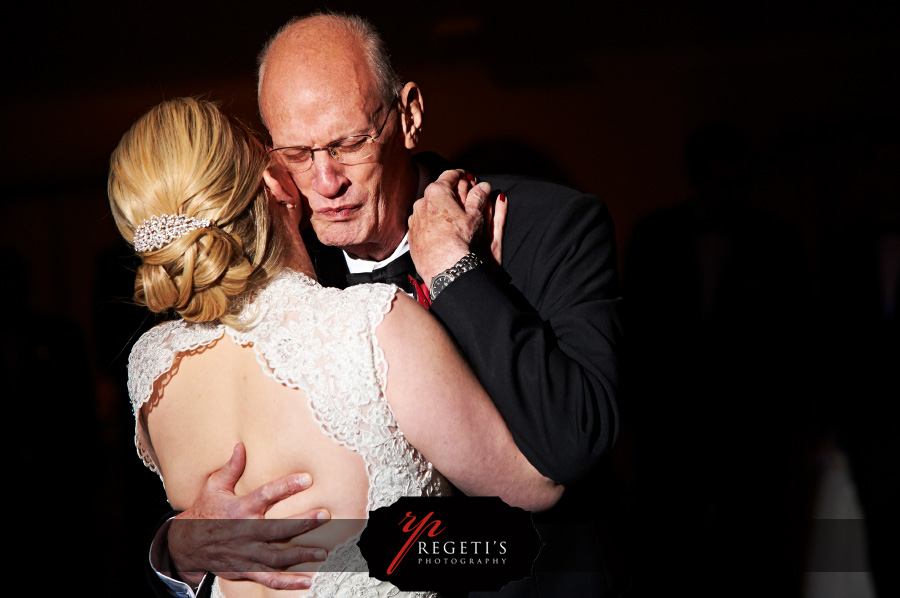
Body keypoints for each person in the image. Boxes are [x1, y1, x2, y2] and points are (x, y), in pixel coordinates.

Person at [149, 12, 625, 598]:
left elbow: (574, 445)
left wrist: (456, 272)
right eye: (297, 153)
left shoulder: (548, 225)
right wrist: (179, 550)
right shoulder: (277, 284)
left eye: (348, 143)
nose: (325, 181)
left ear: (409, 115)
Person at [110, 96, 562, 598]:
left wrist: (177, 544)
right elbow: (537, 487)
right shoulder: (372, 326)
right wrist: (475, 295)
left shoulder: (153, 365)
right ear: (273, 183)